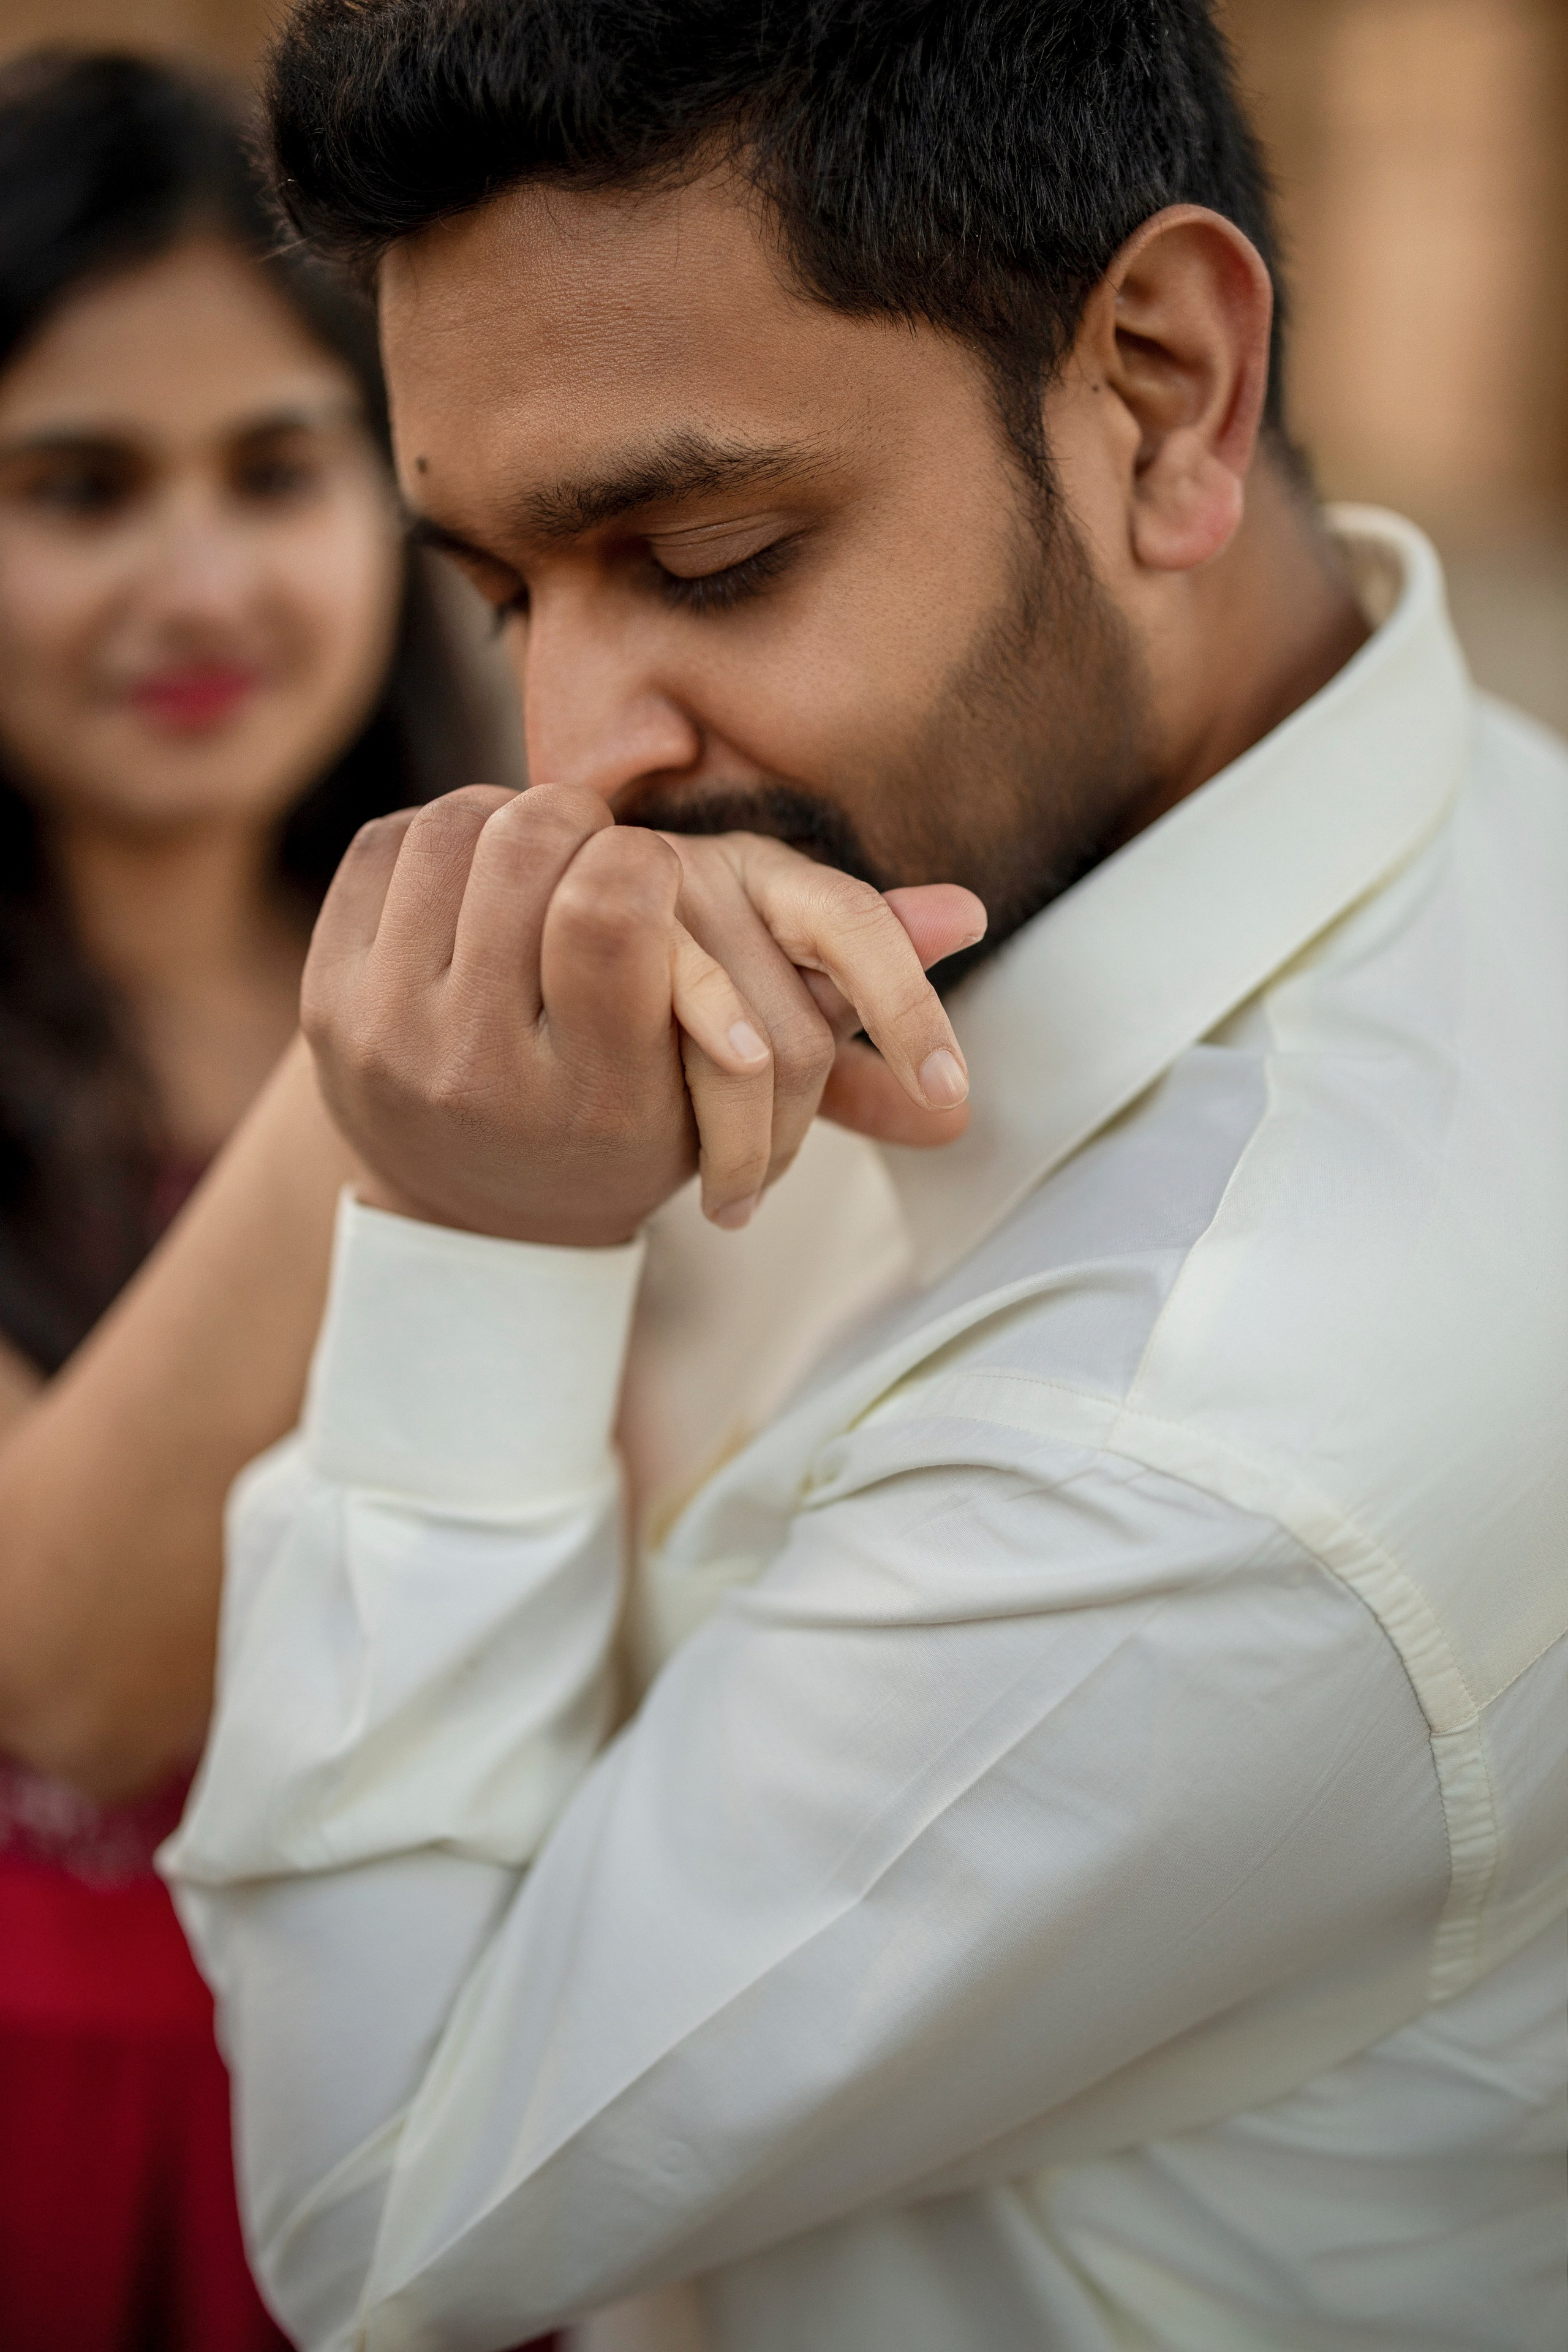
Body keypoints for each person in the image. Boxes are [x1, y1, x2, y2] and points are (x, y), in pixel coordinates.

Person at [164, 3, 1567, 2348]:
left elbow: (377, 2213)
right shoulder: (1381, 839)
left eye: (706, 553)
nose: (574, 762)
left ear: (1159, 390)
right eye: (507, 597)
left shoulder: (1203, 1441)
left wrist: (477, 1244)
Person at [0, 48, 507, 2350]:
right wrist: (397, 1042)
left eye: (279, 470)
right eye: (78, 486)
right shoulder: (432, 1024)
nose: (197, 582)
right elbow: (75, 1684)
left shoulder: (462, 977)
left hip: (420, 2093)